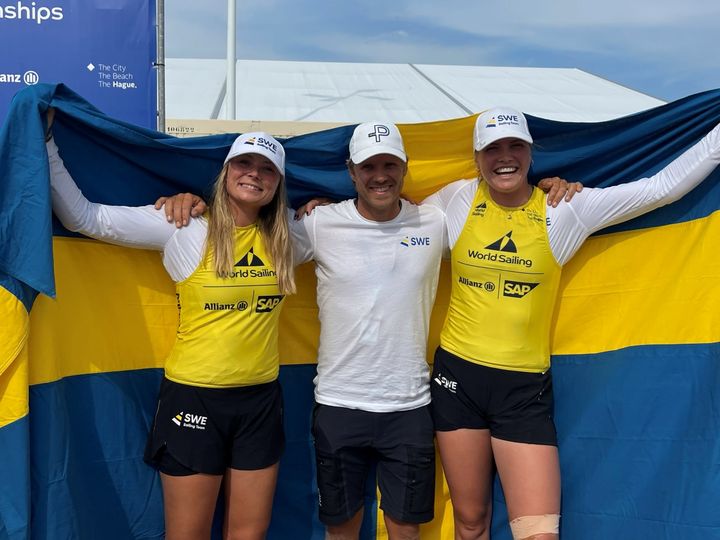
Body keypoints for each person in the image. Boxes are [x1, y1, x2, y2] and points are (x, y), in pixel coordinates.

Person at [159, 121, 577, 540]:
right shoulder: (318, 224)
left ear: (405, 167)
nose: (380, 174)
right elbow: (256, 226)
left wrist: (550, 189)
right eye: (369, 165)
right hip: (338, 405)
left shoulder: (434, 219)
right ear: (351, 171)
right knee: (341, 531)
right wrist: (191, 204)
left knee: (406, 531)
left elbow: (504, 209)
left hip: (410, 407)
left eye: (390, 164)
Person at [424, 107, 720, 540]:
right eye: (492, 149)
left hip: (522, 391)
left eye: (514, 146)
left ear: (530, 152)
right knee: (470, 523)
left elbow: (661, 189)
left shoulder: (565, 208)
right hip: (457, 380)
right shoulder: (455, 200)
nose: (504, 157)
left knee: (539, 533)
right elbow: (392, 215)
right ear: (476, 157)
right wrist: (317, 206)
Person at [45, 110, 294, 540]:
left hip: (260, 403)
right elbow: (85, 219)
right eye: (244, 164)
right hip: (194, 399)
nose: (254, 174)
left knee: (250, 534)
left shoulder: (289, 237)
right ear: (226, 171)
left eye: (267, 169)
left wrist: (322, 204)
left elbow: (353, 224)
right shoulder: (185, 227)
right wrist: (46, 144)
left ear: (278, 183)